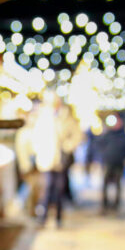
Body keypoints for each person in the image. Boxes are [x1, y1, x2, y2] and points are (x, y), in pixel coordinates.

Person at [32, 95, 82, 228]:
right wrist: (38, 151)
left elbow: (77, 135)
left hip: (61, 159)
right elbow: (37, 137)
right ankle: (42, 216)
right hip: (47, 158)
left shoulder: (67, 117)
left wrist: (67, 146)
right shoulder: (43, 117)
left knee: (59, 188)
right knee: (47, 186)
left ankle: (58, 217)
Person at [98, 116, 125, 214]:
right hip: (108, 162)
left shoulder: (124, 136)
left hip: (119, 163)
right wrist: (104, 155)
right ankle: (105, 204)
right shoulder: (108, 134)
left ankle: (116, 205)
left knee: (117, 185)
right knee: (105, 184)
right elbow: (99, 144)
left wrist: (123, 157)